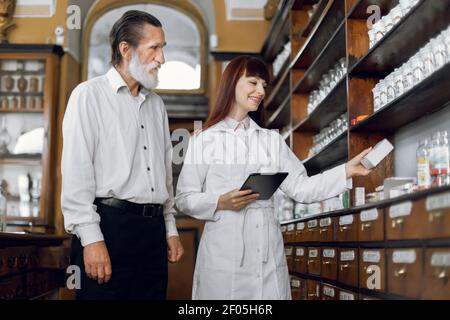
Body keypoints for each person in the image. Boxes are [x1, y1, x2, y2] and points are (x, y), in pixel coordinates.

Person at [175, 56, 372, 300]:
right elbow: (184, 198)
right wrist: (220, 202)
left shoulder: (271, 140)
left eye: (264, 86)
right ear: (233, 82)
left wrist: (346, 171)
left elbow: (302, 188)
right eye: (253, 82)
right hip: (224, 251)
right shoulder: (203, 139)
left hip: (266, 249)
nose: (260, 91)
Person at [61, 10, 184, 300]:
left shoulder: (157, 105)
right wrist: (92, 240)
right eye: (154, 48)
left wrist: (170, 227)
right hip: (109, 229)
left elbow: (163, 174)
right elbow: (77, 175)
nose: (162, 58)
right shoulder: (87, 95)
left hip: (153, 233)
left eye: (162, 48)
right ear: (125, 49)